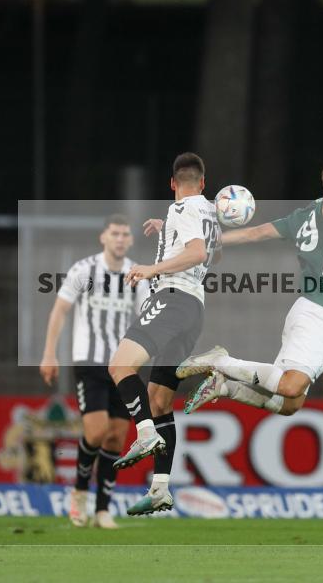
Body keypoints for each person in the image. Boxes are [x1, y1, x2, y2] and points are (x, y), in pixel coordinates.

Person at [178, 138, 323, 416]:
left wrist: (214, 241)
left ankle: (224, 387)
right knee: (291, 388)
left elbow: (256, 233)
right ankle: (221, 361)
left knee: (291, 403)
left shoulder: (302, 216)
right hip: (320, 312)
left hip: (306, 311)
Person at [108, 152, 221, 516]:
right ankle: (160, 488)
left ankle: (143, 434)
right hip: (195, 310)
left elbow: (196, 252)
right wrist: (167, 233)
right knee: (158, 400)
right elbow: (210, 254)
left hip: (172, 301)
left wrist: (151, 267)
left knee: (120, 366)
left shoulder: (182, 210)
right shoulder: (209, 213)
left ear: (173, 183)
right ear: (203, 183)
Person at [40, 214, 150, 529]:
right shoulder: (84, 270)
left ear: (130, 240)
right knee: (97, 431)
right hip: (89, 362)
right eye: (114, 233)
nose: (119, 239)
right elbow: (60, 310)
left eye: (124, 235)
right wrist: (49, 352)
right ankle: (78, 494)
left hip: (123, 365)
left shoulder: (136, 275)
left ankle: (102, 509)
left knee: (116, 439)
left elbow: (146, 316)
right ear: (104, 237)